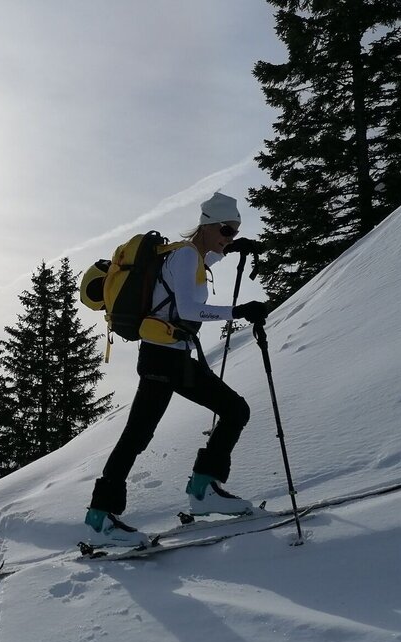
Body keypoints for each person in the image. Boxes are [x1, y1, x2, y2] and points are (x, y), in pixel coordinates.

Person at [85, 192, 268, 546]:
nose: (227, 237)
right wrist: (238, 311)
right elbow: (186, 309)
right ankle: (198, 491)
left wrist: (233, 248)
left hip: (167, 356)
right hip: (165, 358)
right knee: (232, 410)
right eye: (226, 230)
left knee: (140, 434)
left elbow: (186, 283)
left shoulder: (188, 255)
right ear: (208, 225)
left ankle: (105, 514)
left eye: (232, 232)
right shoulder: (185, 256)